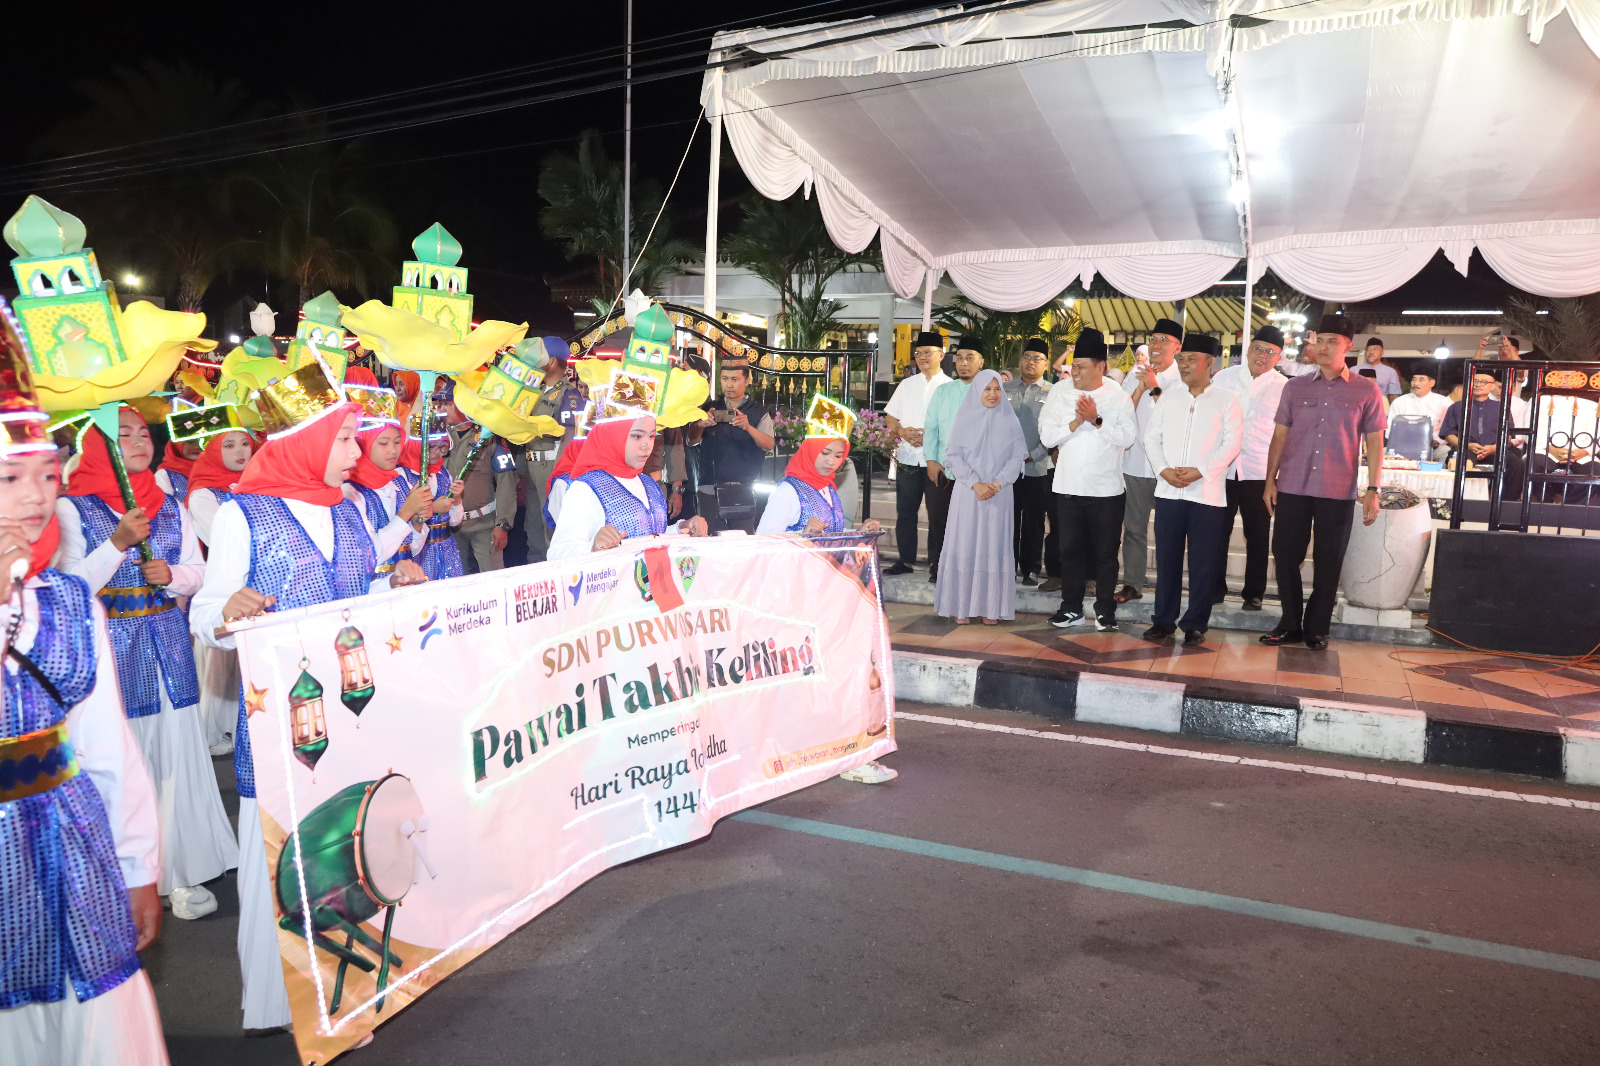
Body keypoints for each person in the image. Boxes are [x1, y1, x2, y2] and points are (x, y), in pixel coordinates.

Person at [190, 376, 428, 1032]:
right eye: (345, 438)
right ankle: (283, 1011)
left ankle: (347, 1001)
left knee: (344, 857)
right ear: (305, 441)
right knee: (281, 862)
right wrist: (227, 610)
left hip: (348, 716)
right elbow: (205, 613)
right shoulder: (242, 514)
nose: (356, 451)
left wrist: (395, 582)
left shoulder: (348, 507)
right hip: (278, 723)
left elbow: (356, 590)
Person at [0, 309, 169, 1066]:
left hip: (73, 848)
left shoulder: (65, 601)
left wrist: (137, 866)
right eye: (10, 477)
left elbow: (107, 750)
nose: (38, 496)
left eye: (45, 474)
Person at [56, 407, 237, 922]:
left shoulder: (169, 505)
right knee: (125, 761)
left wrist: (172, 574)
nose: (139, 442)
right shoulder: (72, 508)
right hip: (111, 651)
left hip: (169, 642)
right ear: (98, 445)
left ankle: (182, 871)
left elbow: (200, 572)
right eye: (124, 435)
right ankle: (130, 876)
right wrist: (116, 545)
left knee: (178, 753)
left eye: (143, 434)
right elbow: (67, 588)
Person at [1262, 317, 1387, 650]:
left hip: (1337, 488)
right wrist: (1270, 481)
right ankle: (1290, 624)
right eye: (1320, 340)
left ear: (1348, 346)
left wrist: (1373, 489)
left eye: (1333, 341)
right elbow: (1279, 436)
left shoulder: (1366, 389)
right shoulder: (1295, 387)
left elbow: (1375, 442)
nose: (1323, 347)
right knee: (1285, 555)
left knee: (1329, 560)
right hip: (1292, 485)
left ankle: (1316, 628)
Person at [1141, 335, 1241, 643]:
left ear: (1209, 362)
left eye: (1191, 359)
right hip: (1169, 492)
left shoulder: (1227, 399)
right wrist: (1164, 470)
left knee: (1204, 563)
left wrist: (1201, 471)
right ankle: (1163, 621)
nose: (1184, 365)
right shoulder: (1169, 397)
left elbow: (1232, 444)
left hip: (1207, 495)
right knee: (1167, 561)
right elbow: (1151, 439)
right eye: (1181, 359)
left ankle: (1196, 623)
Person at [1037, 328, 1137, 631]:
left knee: (1105, 555)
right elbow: (1047, 436)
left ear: (1100, 367)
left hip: (1106, 490)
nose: (1075, 372)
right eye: (1073, 366)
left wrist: (1096, 420)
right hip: (1068, 487)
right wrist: (1075, 422)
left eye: (1081, 366)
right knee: (1069, 552)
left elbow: (1128, 438)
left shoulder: (1118, 398)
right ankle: (1071, 608)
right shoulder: (1060, 392)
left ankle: (1105, 610)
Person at [185, 429, 259, 757]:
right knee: (220, 667)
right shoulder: (203, 494)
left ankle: (243, 730)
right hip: (223, 592)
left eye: (245, 444)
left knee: (244, 667)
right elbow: (225, 543)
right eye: (228, 445)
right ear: (213, 451)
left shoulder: (255, 485)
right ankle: (215, 735)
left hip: (253, 589)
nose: (240, 452)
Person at [934, 369, 1028, 625]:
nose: (993, 394)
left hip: (999, 494)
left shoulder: (1010, 421)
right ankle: (961, 606)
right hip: (969, 493)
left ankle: (990, 607)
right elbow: (953, 456)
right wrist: (976, 483)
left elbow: (1017, 457)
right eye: (987, 389)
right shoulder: (964, 419)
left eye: (997, 389)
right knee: (965, 544)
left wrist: (996, 484)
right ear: (977, 390)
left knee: (993, 546)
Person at [547, 414, 710, 559]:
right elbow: (558, 553)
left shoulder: (648, 483)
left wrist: (682, 528)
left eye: (651, 436)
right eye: (637, 436)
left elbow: (652, 536)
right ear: (613, 435)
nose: (647, 445)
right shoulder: (585, 488)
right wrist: (594, 548)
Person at [1211, 325, 1288, 610]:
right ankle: (1213, 589)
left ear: (1279, 357)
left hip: (1260, 473)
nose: (1262, 356)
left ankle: (1254, 593)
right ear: (1248, 349)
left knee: (1257, 534)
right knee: (1217, 531)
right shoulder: (1223, 378)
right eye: (1258, 348)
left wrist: (1275, 478)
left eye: (1270, 352)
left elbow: (1285, 435)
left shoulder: (1284, 387)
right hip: (1222, 469)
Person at [1116, 318, 1184, 604]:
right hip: (1134, 463)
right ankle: (1132, 584)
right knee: (1133, 528)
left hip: (1169, 468)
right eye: (1154, 339)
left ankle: (1169, 589)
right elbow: (1122, 414)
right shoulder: (1136, 374)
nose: (1156, 345)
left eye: (1163, 340)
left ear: (1177, 347)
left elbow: (1176, 420)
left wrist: (1155, 387)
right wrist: (1140, 388)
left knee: (1170, 532)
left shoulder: (1183, 378)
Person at [882, 333, 950, 575]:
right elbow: (891, 416)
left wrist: (931, 437)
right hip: (908, 459)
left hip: (938, 462)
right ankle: (905, 560)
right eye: (918, 353)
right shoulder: (906, 384)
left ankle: (937, 564)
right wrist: (901, 431)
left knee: (938, 515)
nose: (922, 357)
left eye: (927, 352)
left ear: (941, 355)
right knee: (906, 512)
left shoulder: (951, 387)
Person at [514, 338, 586, 563]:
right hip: (532, 468)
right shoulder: (533, 390)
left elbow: (570, 440)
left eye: (540, 355)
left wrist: (560, 476)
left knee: (552, 529)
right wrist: (521, 471)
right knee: (533, 529)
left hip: (552, 469)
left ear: (553, 361)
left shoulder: (569, 395)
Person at [922, 337, 986, 581]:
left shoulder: (990, 392)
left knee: (971, 526)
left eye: (970, 358)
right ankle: (938, 566)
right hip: (944, 471)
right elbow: (931, 428)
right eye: (959, 358)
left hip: (977, 475)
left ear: (981, 362)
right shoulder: (944, 392)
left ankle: (969, 571)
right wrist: (930, 459)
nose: (963, 363)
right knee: (939, 521)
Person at [697, 357, 775, 527]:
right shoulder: (710, 408)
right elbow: (691, 441)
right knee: (711, 538)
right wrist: (701, 425)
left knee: (741, 539)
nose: (729, 385)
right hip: (709, 487)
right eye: (724, 379)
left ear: (746, 381)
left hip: (742, 489)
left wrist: (748, 427)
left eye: (734, 379)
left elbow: (769, 444)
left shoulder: (758, 412)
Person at [1005, 339, 1057, 589]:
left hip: (1038, 468)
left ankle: (1031, 569)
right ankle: (1008, 565)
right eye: (1027, 357)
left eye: (1037, 358)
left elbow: (1054, 431)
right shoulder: (1005, 389)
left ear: (1046, 364)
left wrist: (1032, 454)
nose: (1030, 362)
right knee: (1008, 520)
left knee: (1034, 522)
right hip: (1007, 468)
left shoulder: (1053, 392)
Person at [443, 389, 513, 573]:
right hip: (451, 526)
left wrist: (502, 524)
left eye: (447, 403)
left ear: (463, 404)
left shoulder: (488, 437)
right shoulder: (440, 438)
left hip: (484, 525)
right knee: (456, 580)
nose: (442, 408)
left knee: (493, 578)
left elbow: (505, 483)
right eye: (440, 404)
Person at [1442, 371, 1528, 500]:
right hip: (1466, 449)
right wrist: (1467, 445)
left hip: (1494, 450)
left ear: (1492, 386)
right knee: (1460, 463)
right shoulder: (1457, 407)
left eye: (1483, 382)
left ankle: (1505, 504)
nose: (1478, 385)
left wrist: (1494, 448)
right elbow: (1448, 434)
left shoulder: (1501, 408)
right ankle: (1461, 502)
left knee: (1517, 465)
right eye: (1476, 381)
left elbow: (1508, 435)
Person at [405, 408, 466, 581]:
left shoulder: (443, 474)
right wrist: (432, 508)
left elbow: (454, 521)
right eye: (432, 446)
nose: (438, 452)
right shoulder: (405, 477)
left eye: (443, 446)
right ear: (418, 445)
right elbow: (403, 522)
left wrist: (457, 499)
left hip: (447, 550)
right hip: (421, 554)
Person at [1388, 367, 1453, 460]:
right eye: (1414, 379)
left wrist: (1437, 442)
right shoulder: (1399, 402)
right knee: (1381, 453)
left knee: (1447, 453)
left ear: (1432, 383)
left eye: (1421, 380)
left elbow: (1448, 430)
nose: (1416, 383)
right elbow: (1389, 430)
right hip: (1403, 447)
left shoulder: (1443, 402)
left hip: (1434, 447)